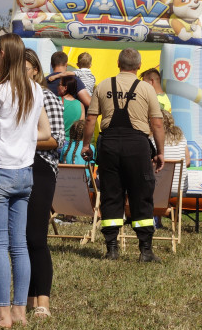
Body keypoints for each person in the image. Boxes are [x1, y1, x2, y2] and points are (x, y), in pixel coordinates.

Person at [0, 34, 52, 328]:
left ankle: (2, 315)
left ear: (3, 54)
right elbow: (44, 132)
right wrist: (24, 135)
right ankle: (19, 311)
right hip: (24, 173)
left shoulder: (1, 91)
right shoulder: (36, 90)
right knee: (18, 245)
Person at [81, 48, 165, 263]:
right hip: (137, 146)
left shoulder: (103, 85)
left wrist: (86, 145)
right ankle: (145, 251)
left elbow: (91, 119)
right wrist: (160, 152)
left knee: (111, 195)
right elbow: (157, 123)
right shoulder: (146, 88)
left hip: (109, 145)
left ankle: (112, 249)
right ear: (138, 66)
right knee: (141, 195)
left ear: (118, 63)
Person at [23, 49, 66, 320]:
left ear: (36, 71)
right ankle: (27, 297)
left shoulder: (47, 97)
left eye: (24, 68)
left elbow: (57, 139)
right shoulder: (10, 97)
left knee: (36, 237)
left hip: (40, 168)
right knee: (19, 239)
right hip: (14, 167)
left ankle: (43, 302)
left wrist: (21, 140)